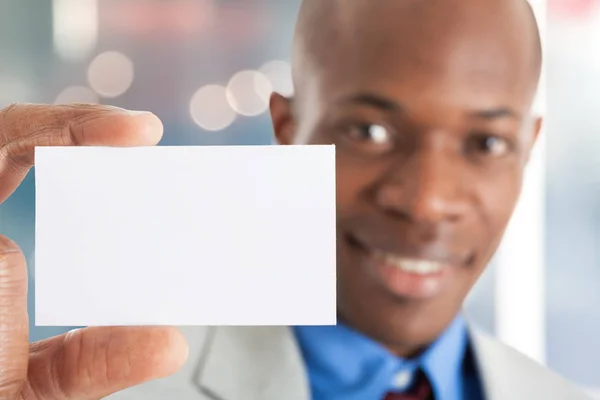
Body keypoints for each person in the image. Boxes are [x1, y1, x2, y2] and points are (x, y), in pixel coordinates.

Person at [0, 0, 592, 399]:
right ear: (287, 129)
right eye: (369, 132)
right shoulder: (106, 390)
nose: (427, 201)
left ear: (527, 147)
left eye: (487, 141)